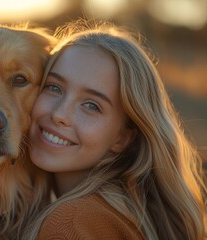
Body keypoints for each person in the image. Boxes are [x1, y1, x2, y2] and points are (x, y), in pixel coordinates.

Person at [23, 22, 206, 240]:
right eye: (54, 87)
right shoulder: (123, 214)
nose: (59, 115)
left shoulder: (71, 223)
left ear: (123, 137)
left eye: (91, 105)